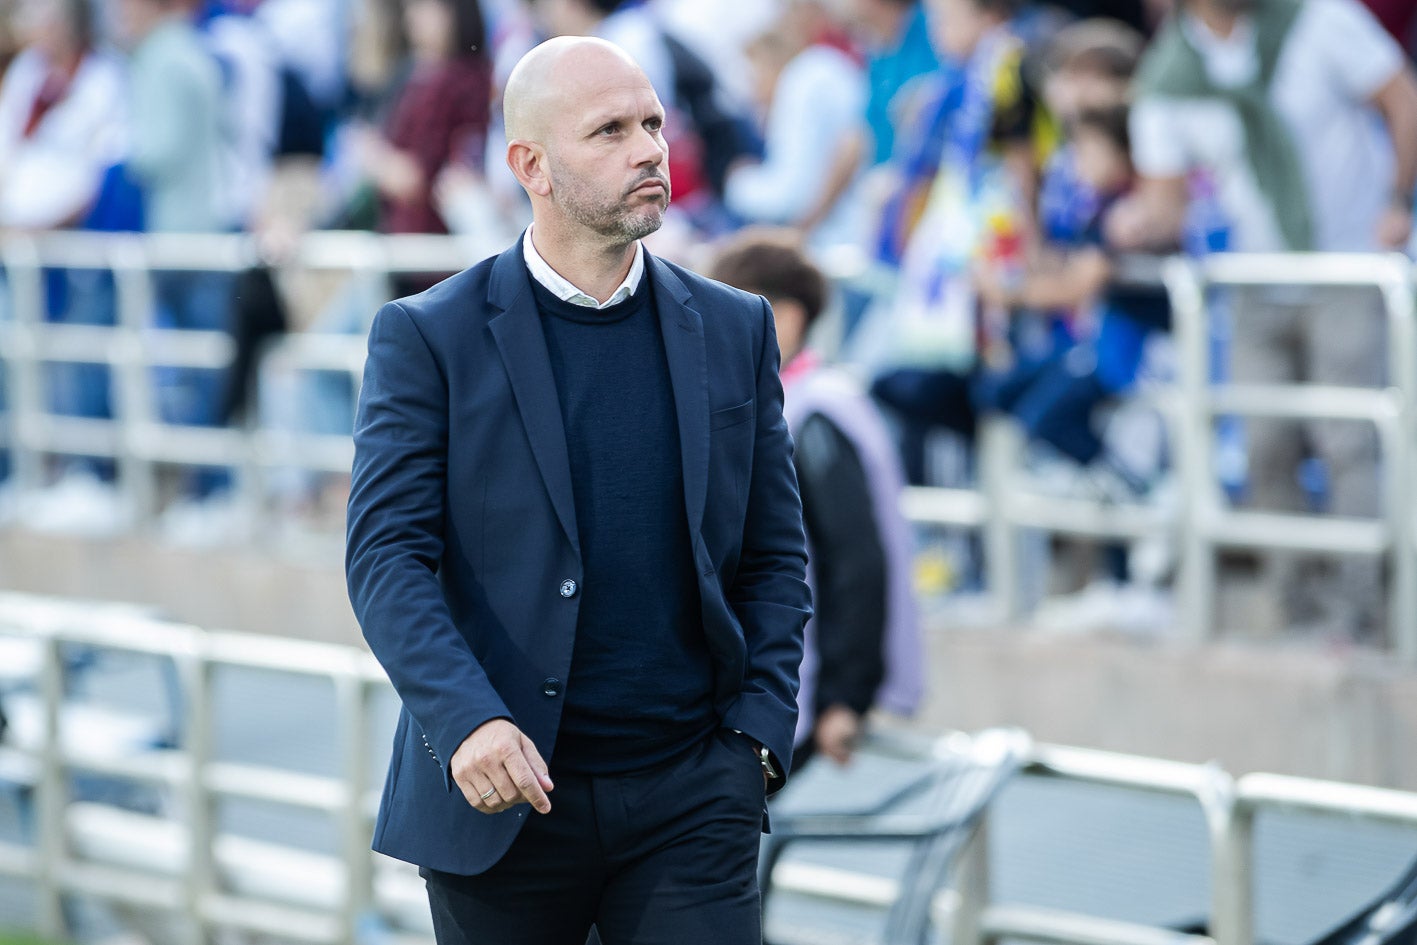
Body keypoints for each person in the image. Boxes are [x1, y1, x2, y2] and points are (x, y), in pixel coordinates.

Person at [345, 35, 811, 945]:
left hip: (692, 794)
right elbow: (385, 556)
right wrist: (467, 718)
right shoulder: (426, 337)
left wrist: (754, 735)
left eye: (651, 124)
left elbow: (775, 552)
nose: (647, 149)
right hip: (503, 795)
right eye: (608, 131)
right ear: (532, 165)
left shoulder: (734, 326)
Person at [1110, 0, 1417, 640]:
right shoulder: (1169, 76)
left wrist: (1396, 200)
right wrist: (1137, 224)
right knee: (1264, 443)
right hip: (1254, 277)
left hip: (1348, 264)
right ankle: (1293, 607)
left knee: (1349, 440)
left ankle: (1357, 611)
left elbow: (1401, 99)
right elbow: (1166, 201)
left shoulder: (1318, 20)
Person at [708, 230, 923, 771]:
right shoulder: (781, 404)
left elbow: (857, 560)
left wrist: (845, 698)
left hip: (796, 693)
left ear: (785, 317)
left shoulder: (815, 413)